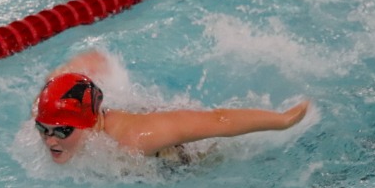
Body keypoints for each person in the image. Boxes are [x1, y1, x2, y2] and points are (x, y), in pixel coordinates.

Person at [32, 50, 310, 165]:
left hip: (181, 159)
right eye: (42, 129)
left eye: (63, 131)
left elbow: (219, 121)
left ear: (91, 124)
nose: (49, 140)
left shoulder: (136, 138)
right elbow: (95, 57)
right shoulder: (48, 108)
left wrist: (282, 120)